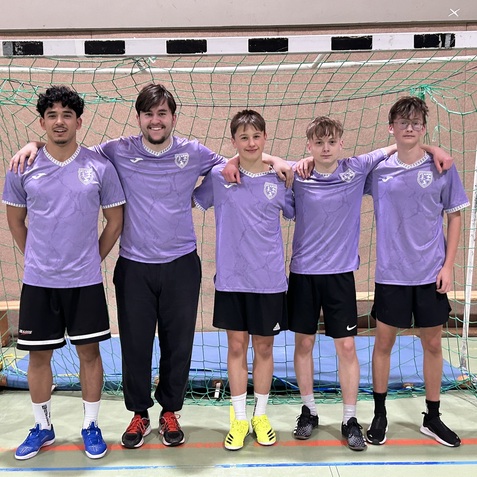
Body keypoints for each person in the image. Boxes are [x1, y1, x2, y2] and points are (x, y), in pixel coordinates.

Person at [10, 84, 293, 450]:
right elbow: (67, 146)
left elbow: (241, 156)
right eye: (149, 114)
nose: (155, 120)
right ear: (139, 118)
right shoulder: (116, 150)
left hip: (181, 265)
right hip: (134, 266)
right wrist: (33, 145)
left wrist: (274, 160)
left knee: (178, 345)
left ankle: (170, 411)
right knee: (135, 345)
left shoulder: (193, 151)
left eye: (162, 114)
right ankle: (139, 413)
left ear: (173, 117)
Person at [289, 116, 452, 451]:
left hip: (340, 275)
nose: (325, 148)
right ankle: (309, 411)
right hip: (304, 273)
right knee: (303, 344)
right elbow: (266, 162)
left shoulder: (357, 168)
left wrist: (433, 148)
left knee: (347, 348)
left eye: (331, 142)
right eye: (318, 143)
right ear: (309, 146)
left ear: (341, 143)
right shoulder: (298, 174)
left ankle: (350, 418)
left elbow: (398, 146)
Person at [2, 86, 125, 460]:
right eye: (52, 115)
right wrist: (38, 258)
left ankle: (90, 425)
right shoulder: (23, 166)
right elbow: (16, 221)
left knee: (90, 353)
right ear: (42, 122)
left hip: (85, 282)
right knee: (38, 358)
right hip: (39, 283)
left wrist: (91, 259)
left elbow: (115, 221)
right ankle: (43, 427)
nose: (59, 121)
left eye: (67, 115)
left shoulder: (99, 166)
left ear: (78, 122)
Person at [365, 96, 469, 448]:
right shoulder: (378, 170)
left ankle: (433, 416)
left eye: (416, 123)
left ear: (424, 127)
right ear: (391, 127)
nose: (409, 128)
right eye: (403, 122)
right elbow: (341, 169)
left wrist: (448, 266)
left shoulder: (442, 167)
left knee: (433, 344)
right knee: (383, 343)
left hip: (430, 274)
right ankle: (380, 414)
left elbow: (455, 216)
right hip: (391, 274)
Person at [193, 110, 294, 450]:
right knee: (236, 348)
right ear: (234, 141)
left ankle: (260, 415)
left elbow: (311, 169)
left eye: (256, 136)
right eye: (244, 138)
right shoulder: (220, 176)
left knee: (264, 348)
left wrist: (275, 160)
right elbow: (193, 198)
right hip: (232, 281)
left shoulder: (280, 177)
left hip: (269, 282)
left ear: (265, 138)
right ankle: (238, 418)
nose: (251, 143)